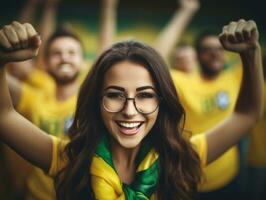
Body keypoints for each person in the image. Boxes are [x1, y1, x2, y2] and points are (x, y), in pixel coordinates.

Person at [0, 19, 263, 199]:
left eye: (145, 95)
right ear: (95, 101)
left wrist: (251, 54)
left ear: (162, 101)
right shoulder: (68, 159)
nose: (130, 110)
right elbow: (4, 116)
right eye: (114, 95)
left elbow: (246, 114)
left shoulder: (181, 158)